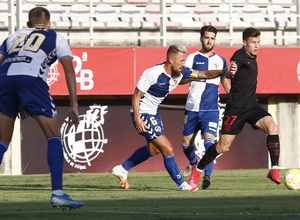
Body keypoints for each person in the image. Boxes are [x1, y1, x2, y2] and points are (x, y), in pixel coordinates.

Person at [112, 44, 236, 191]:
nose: (184, 64)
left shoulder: (182, 72)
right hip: (143, 113)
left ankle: (122, 169)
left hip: (154, 113)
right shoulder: (153, 73)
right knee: (168, 148)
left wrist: (224, 71)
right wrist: (138, 118)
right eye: (182, 61)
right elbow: (137, 95)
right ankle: (182, 185)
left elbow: (205, 74)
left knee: (154, 149)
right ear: (171, 60)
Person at [0, 7, 83, 209]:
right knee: (53, 135)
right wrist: (74, 105)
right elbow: (69, 70)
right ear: (49, 24)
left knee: (2, 142)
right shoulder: (56, 37)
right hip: (31, 80)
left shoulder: (13, 36)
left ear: (28, 25)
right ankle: (58, 194)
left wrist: (15, 96)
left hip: (4, 79)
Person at [189, 27, 281, 189]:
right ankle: (198, 169)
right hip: (236, 108)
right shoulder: (238, 56)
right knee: (222, 147)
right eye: (253, 42)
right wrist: (231, 72)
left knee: (272, 127)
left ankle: (274, 169)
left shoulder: (253, 56)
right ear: (244, 43)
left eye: (258, 42)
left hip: (252, 106)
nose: (257, 45)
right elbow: (231, 71)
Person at [180, 25, 231, 190]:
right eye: (207, 37)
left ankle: (206, 175)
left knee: (210, 142)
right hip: (193, 108)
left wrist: (234, 98)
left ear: (215, 40)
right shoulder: (192, 57)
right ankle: (194, 163)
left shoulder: (221, 60)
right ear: (201, 38)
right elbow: (182, 79)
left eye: (212, 38)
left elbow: (224, 81)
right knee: (185, 144)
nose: (209, 41)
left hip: (211, 109)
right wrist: (197, 75)